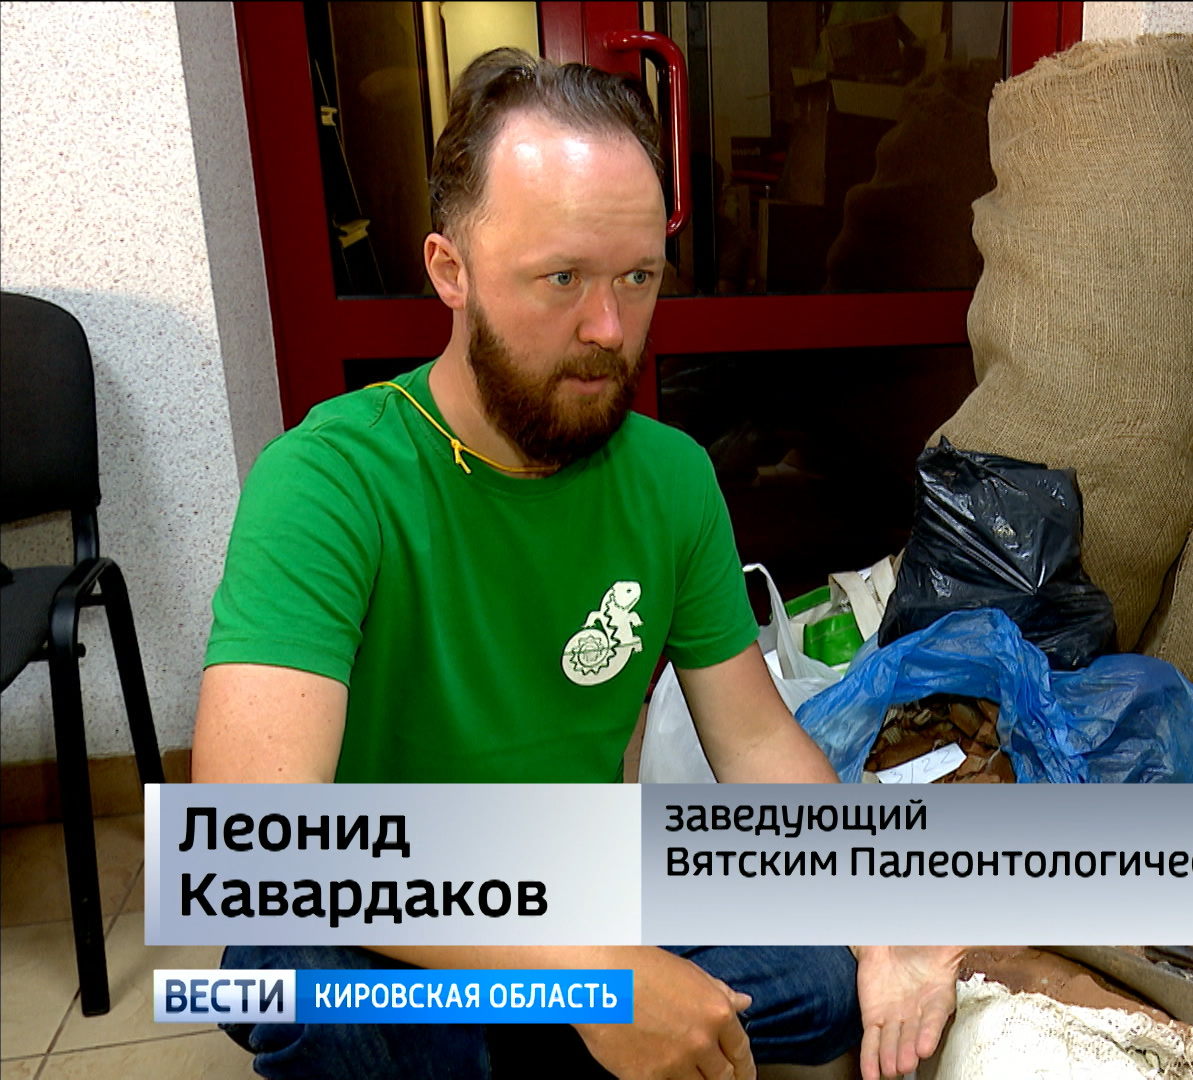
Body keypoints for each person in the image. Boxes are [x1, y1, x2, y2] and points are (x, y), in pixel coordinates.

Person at [193, 47, 959, 1080]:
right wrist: (589, 978)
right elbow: (254, 843)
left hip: (576, 876)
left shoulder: (671, 477)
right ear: (449, 271)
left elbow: (755, 743)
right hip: (398, 907)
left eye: (637, 277)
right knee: (296, 980)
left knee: (825, 974)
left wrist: (880, 932)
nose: (609, 330)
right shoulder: (327, 480)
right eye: (561, 278)